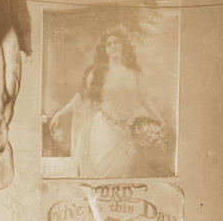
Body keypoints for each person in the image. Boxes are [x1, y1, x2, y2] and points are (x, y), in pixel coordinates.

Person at [45, 27, 165, 179]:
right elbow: (82, 98)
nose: (113, 46)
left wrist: (158, 117)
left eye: (116, 42)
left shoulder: (134, 74)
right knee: (102, 166)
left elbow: (144, 98)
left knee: (122, 169)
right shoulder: (97, 73)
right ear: (104, 49)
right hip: (103, 127)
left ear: (124, 45)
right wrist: (60, 113)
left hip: (126, 129)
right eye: (108, 44)